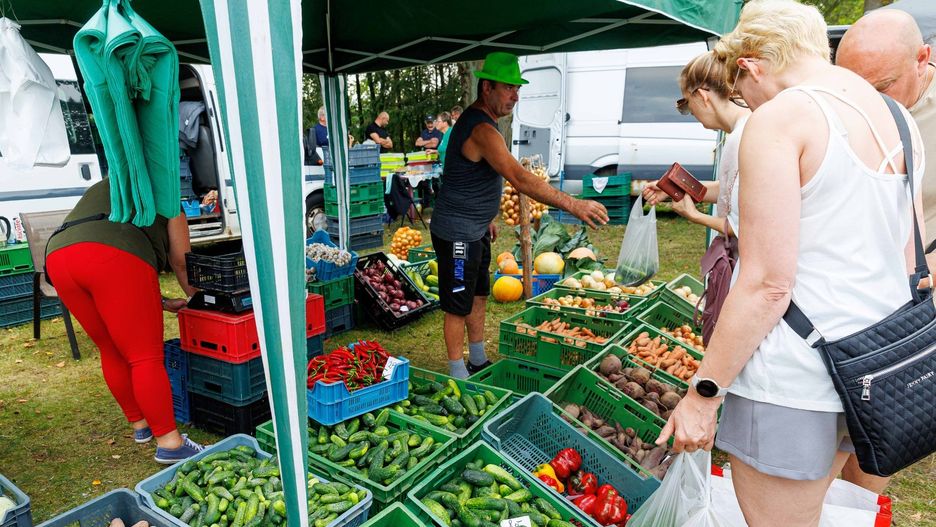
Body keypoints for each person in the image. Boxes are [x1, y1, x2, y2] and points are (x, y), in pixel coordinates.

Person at [656, 1, 925, 526]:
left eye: (740, 87)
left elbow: (767, 284)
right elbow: (907, 258)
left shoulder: (780, 119)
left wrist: (703, 395)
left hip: (798, 380)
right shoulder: (896, 116)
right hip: (879, 370)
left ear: (753, 63)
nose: (745, 100)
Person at [430, 51, 609, 379]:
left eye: (517, 89)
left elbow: (471, 176)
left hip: (476, 228)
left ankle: (479, 357)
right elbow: (521, 179)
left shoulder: (486, 122)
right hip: (457, 231)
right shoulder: (481, 129)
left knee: (480, 292)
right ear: (487, 89)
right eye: (508, 88)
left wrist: (486, 218)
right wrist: (574, 204)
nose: (515, 95)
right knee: (458, 303)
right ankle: (457, 371)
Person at [831, 7, 936, 497]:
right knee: (846, 420)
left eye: (882, 86)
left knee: (883, 420)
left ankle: (859, 507)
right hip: (853, 296)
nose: (864, 103)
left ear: (923, 58)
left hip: (917, 301)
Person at [45, 179, 206, 464]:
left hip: (59, 255)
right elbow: (181, 262)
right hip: (113, 253)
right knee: (145, 356)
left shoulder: (107, 182)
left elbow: (108, 270)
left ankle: (140, 425)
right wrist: (202, 302)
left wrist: (162, 302)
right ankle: (170, 442)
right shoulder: (166, 191)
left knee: (109, 347)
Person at [643, 51, 751, 243]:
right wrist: (680, 190)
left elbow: (745, 227)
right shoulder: (743, 129)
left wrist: (695, 216)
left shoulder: (742, 137)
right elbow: (731, 190)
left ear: (702, 96)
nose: (691, 112)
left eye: (687, 104)